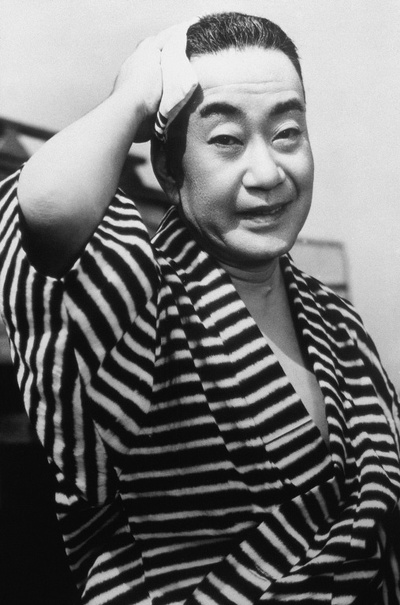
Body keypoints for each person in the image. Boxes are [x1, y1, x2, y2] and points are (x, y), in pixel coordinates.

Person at [0, 11, 399, 605]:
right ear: (168, 169)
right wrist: (134, 94)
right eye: (226, 140)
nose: (268, 172)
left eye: (287, 133)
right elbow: (50, 209)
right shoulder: (142, 305)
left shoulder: (340, 326)